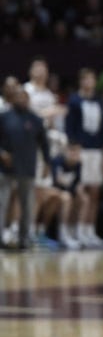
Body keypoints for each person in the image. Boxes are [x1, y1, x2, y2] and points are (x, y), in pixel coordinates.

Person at [0, 86, 50, 250]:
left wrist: (47, 163)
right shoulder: (4, 117)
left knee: (27, 205)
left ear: (28, 99)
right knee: (2, 203)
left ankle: (24, 238)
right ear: (13, 98)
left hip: (27, 166)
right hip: (5, 168)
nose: (21, 99)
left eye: (24, 97)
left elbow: (44, 144)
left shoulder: (35, 119)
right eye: (18, 96)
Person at [65, 67, 103, 246]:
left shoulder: (99, 101)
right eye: (85, 79)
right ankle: (74, 229)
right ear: (81, 81)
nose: (88, 82)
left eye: (91, 79)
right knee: (80, 191)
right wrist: (73, 147)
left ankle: (89, 230)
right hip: (81, 149)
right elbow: (70, 126)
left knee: (95, 192)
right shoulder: (74, 100)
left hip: (97, 150)